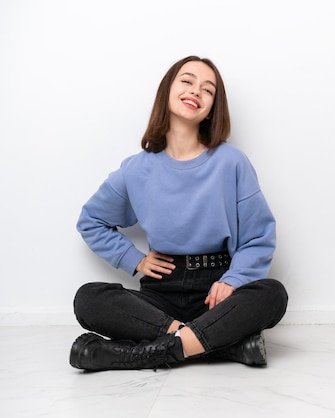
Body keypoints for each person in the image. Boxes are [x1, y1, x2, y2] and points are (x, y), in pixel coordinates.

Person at [70, 56, 288, 371]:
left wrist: (235, 279)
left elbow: (258, 235)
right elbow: (91, 221)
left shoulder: (232, 163)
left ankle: (139, 354)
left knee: (272, 295)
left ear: (213, 107)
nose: (195, 91)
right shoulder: (136, 169)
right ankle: (221, 345)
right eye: (187, 81)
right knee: (89, 298)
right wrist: (136, 260)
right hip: (161, 291)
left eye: (207, 89)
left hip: (217, 290)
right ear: (167, 91)